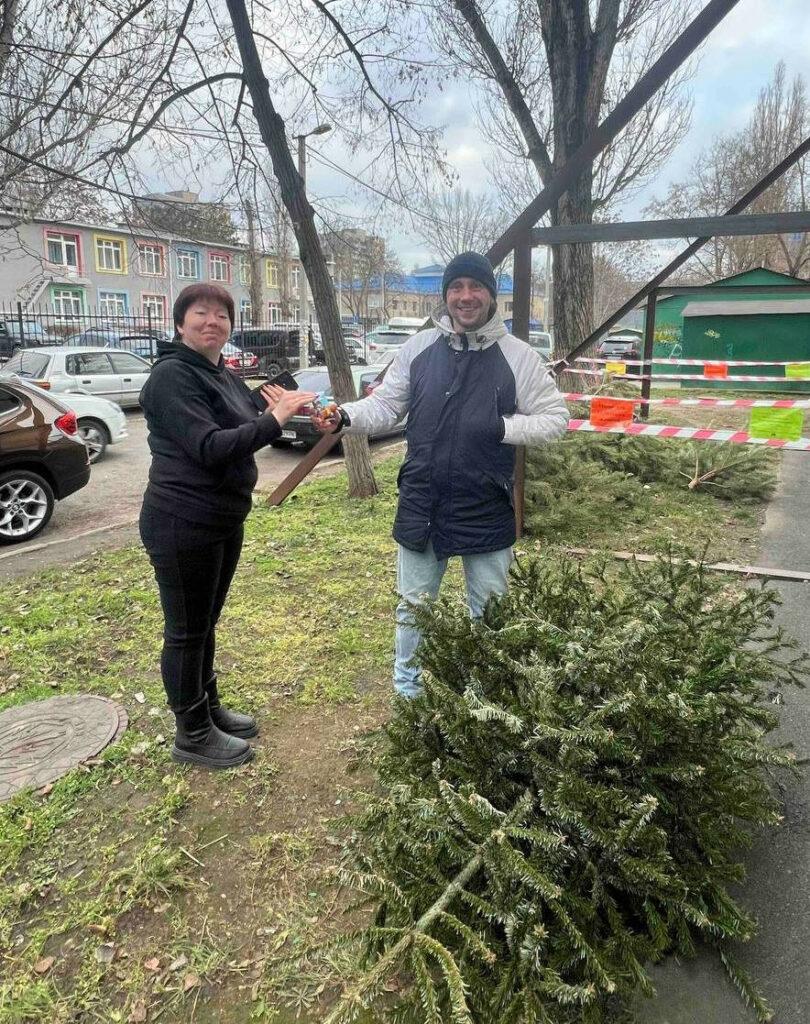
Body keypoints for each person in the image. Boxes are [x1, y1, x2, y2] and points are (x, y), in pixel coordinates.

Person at [316, 251, 569, 697]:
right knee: (413, 609)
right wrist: (344, 417)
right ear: (446, 295)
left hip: (485, 503)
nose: (465, 297)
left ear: (491, 295)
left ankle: (484, 698)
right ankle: (409, 696)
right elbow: (388, 406)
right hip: (422, 502)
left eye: (475, 288)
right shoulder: (418, 349)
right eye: (456, 288)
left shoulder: (519, 357)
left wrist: (501, 427)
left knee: (489, 614)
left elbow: (555, 420)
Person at [139, 283, 317, 768]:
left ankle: (208, 707)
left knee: (205, 623)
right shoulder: (172, 377)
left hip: (220, 519)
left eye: (222, 315)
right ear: (180, 323)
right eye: (201, 313)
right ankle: (191, 732)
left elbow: (243, 418)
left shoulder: (217, 371)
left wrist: (270, 405)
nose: (212, 321)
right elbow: (212, 446)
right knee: (185, 630)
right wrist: (275, 419)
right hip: (182, 521)